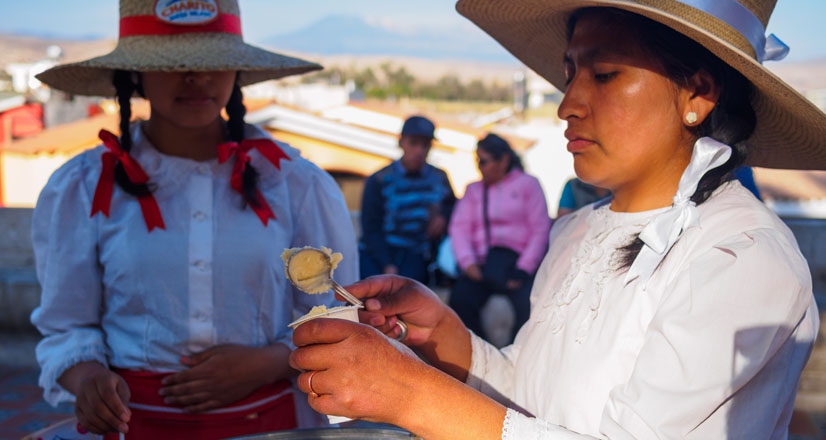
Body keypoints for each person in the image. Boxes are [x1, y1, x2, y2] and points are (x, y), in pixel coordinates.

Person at [288, 1, 824, 438]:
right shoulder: (577, 231)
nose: (568, 104)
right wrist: (447, 340)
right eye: (570, 75)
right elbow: (533, 396)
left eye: (605, 75)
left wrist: (411, 394)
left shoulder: (743, 257)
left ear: (697, 95)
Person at [30, 1, 357, 438]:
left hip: (271, 426)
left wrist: (267, 363)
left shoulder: (296, 184)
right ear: (134, 76)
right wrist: (88, 380)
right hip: (134, 427)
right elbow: (67, 325)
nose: (197, 78)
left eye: (215, 63)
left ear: (237, 72)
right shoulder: (84, 186)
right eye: (175, 64)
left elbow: (335, 315)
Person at [448, 133, 551, 343]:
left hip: (517, 265)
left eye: (484, 161)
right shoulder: (473, 191)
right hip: (483, 265)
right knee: (460, 301)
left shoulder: (528, 185)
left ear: (503, 160)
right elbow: (459, 229)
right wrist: (468, 263)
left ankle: (516, 359)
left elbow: (540, 229)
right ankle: (481, 356)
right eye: (477, 161)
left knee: (531, 308)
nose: (479, 167)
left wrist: (524, 269)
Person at [359, 115, 456, 284]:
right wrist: (387, 263)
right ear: (401, 142)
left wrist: (443, 218)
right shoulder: (380, 180)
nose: (419, 150)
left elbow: (455, 211)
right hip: (379, 253)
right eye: (413, 143)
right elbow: (371, 227)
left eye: (425, 145)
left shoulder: (439, 178)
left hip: (418, 255)